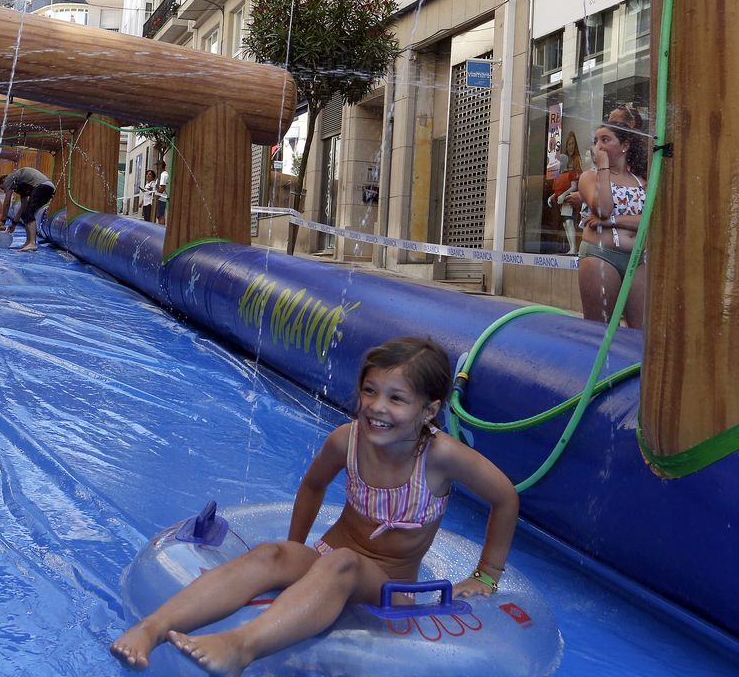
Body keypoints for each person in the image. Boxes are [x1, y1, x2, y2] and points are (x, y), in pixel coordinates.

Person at [110, 337, 519, 675]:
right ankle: (154, 627)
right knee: (273, 553)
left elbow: (505, 498)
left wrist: (486, 575)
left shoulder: (440, 457)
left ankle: (241, 645)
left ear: (428, 410)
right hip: (327, 558)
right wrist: (294, 550)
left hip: (389, 587)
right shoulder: (347, 440)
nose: (377, 407)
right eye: (370, 390)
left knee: (342, 562)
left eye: (397, 399)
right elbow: (312, 486)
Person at [576, 118, 649, 328]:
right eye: (596, 140)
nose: (599, 145)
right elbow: (603, 208)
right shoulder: (590, 177)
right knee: (601, 329)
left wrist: (613, 222)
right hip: (601, 255)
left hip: (638, 259)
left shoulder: (641, 182)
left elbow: (648, 221)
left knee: (639, 331)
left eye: (606, 139)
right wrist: (604, 168)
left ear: (624, 146)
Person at [0, 167, 55, 252]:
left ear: (2, 183)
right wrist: (13, 224)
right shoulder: (21, 185)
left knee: (28, 213)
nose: (5, 190)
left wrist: (3, 221)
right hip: (48, 187)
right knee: (26, 212)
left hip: (43, 186)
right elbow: (23, 207)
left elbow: (6, 203)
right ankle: (28, 242)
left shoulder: (9, 179)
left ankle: (32, 243)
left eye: (3, 188)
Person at [547, 153, 581, 255]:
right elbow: (557, 191)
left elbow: (573, 186)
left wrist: (563, 195)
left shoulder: (570, 173)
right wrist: (551, 197)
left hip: (568, 201)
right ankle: (572, 248)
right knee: (565, 224)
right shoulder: (557, 176)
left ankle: (573, 248)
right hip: (561, 203)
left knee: (569, 222)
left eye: (560, 161)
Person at [154, 159, 169, 225]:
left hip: (161, 198)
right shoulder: (161, 175)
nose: (156, 167)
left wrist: (156, 196)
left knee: (160, 216)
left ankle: (162, 230)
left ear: (160, 166)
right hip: (159, 198)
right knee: (159, 216)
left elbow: (162, 188)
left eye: (157, 165)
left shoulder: (163, 175)